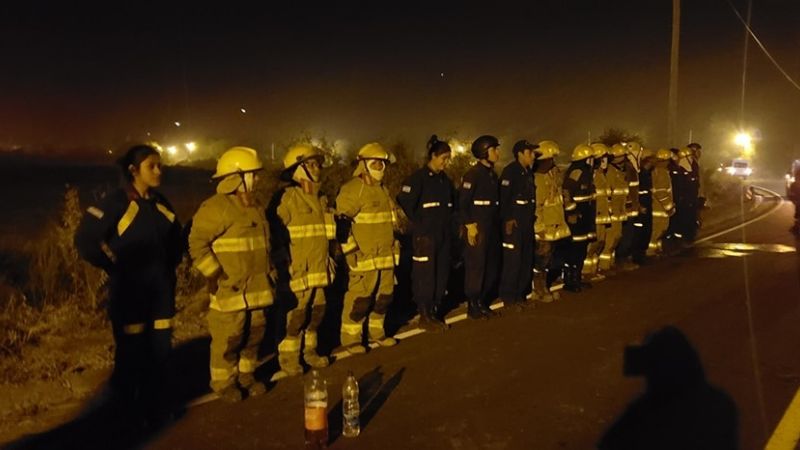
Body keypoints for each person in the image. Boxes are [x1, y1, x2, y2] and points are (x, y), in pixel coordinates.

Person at [75, 144, 183, 420]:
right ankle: (125, 412)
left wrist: (169, 269)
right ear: (134, 170)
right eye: (152, 166)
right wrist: (113, 267)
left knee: (161, 352)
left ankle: (157, 406)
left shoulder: (161, 204)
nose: (159, 171)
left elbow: (176, 241)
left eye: (160, 165)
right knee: (131, 354)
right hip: (130, 295)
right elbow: (86, 241)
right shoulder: (116, 203)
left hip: (161, 294)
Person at [188, 146, 274, 402]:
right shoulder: (215, 208)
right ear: (237, 176)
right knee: (229, 339)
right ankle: (224, 382)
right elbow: (196, 244)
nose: (257, 179)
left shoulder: (254, 206)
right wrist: (217, 275)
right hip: (230, 291)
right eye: (253, 174)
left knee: (254, 335)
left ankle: (247, 376)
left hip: (258, 289)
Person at [269, 143, 337, 380]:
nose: (317, 168)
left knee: (317, 310)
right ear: (297, 169)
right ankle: (288, 358)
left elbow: (327, 235)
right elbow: (274, 235)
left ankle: (310, 351)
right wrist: (281, 265)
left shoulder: (320, 198)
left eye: (317, 164)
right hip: (296, 269)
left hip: (318, 267)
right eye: (311, 164)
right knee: (295, 314)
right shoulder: (286, 199)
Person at [336, 143, 401, 354]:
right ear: (363, 164)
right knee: (360, 299)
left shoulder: (383, 190)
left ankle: (377, 333)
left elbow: (392, 221)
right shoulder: (352, 190)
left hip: (386, 256)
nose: (380, 167)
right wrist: (351, 252)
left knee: (385, 296)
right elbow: (341, 226)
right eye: (376, 163)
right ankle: (351, 339)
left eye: (383, 163)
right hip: (363, 258)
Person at [396, 135, 455, 332]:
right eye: (443, 158)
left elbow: (452, 206)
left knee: (441, 273)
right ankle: (424, 314)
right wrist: (420, 223)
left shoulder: (445, 180)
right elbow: (404, 200)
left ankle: (434, 311)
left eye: (448, 159)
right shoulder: (418, 178)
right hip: (425, 237)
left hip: (443, 235)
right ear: (433, 156)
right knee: (425, 275)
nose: (445, 163)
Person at [458, 135, 502, 319]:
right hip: (478, 226)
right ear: (484, 152)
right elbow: (462, 204)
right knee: (476, 266)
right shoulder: (472, 175)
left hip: (491, 226)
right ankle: (473, 304)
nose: (497, 153)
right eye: (494, 149)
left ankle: (482, 300)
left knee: (490, 265)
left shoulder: (492, 174)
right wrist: (470, 225)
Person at [498, 139, 539, 309]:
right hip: (514, 223)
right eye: (530, 153)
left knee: (525, 259)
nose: (533, 156)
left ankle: (521, 295)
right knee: (513, 261)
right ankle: (509, 297)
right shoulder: (510, 172)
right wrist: (507, 219)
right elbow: (504, 197)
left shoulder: (527, 172)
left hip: (527, 222)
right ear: (520, 154)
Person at [533, 140, 571, 302]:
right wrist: (539, 227)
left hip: (554, 224)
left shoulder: (552, 175)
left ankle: (544, 287)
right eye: (551, 159)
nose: (553, 162)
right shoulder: (538, 179)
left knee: (548, 259)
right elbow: (537, 206)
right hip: (544, 227)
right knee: (541, 260)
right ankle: (539, 289)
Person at [561, 144, 596, 292]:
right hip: (577, 217)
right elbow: (567, 191)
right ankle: (570, 280)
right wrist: (572, 212)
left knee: (581, 248)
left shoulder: (586, 172)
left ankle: (577, 277)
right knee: (574, 249)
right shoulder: (577, 171)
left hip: (585, 215)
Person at [584, 143, 611, 281]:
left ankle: (594, 269)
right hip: (595, 216)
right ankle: (586, 271)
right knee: (593, 244)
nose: (604, 161)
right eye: (602, 158)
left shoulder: (601, 175)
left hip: (603, 216)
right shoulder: (592, 175)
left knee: (600, 242)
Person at [630, 149, 657, 265]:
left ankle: (642, 254)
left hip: (647, 206)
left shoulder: (647, 174)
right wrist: (639, 206)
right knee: (639, 233)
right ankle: (637, 256)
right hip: (641, 208)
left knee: (646, 231)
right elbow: (635, 192)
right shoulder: (640, 174)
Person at [649, 149, 676, 256]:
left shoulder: (656, 171)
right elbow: (661, 192)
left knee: (659, 231)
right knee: (658, 230)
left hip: (657, 208)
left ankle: (656, 249)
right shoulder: (661, 173)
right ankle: (650, 251)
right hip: (660, 209)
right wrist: (669, 207)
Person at [788, 167, 800, 235]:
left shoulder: (794, 184)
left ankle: (796, 227)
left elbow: (791, 194)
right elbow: (791, 194)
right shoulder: (794, 185)